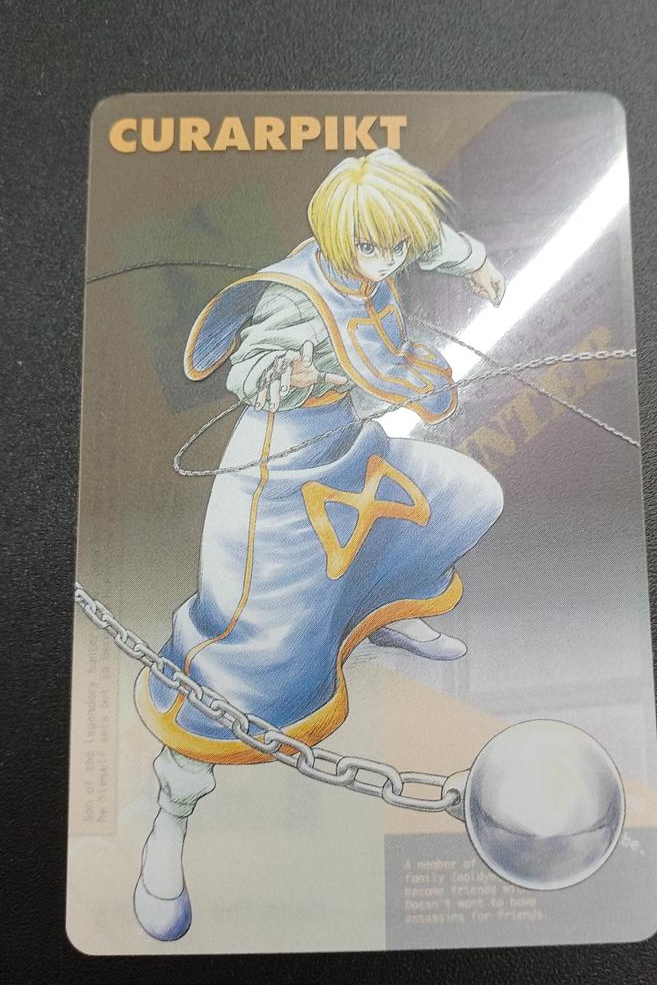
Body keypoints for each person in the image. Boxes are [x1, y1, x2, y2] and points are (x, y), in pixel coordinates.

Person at [133, 148, 506, 940]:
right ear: (339, 237)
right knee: (253, 659)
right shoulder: (298, 298)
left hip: (354, 451)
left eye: (396, 245)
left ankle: (385, 615)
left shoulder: (390, 243)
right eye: (373, 246)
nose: (388, 260)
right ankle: (170, 820)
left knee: (463, 496)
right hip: (279, 482)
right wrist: (291, 376)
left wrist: (474, 261)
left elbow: (427, 239)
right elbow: (247, 372)